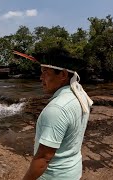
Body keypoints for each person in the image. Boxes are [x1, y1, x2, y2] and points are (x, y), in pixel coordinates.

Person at [13, 50, 94, 180]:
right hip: (73, 172)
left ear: (63, 74)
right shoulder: (80, 95)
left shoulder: (56, 109)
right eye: (41, 72)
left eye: (45, 72)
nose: (41, 77)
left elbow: (44, 159)